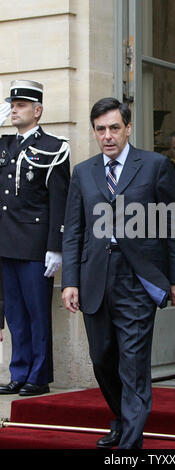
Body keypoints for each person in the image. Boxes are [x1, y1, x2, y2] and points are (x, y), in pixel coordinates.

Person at [62, 97, 175, 449]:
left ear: (128, 128)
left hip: (137, 277)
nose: (107, 136)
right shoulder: (83, 172)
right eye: (100, 129)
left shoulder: (154, 166)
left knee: (132, 362)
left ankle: (130, 443)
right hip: (95, 277)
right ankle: (121, 418)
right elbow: (74, 230)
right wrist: (69, 281)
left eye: (114, 128)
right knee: (102, 358)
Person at [0, 80, 70, 396]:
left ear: (37, 110)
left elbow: (59, 201)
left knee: (37, 314)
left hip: (34, 245)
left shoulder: (55, 147)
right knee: (14, 313)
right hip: (6, 242)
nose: (14, 109)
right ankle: (19, 371)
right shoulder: (4, 145)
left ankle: (39, 376)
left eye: (21, 105)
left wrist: (56, 247)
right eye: (12, 105)